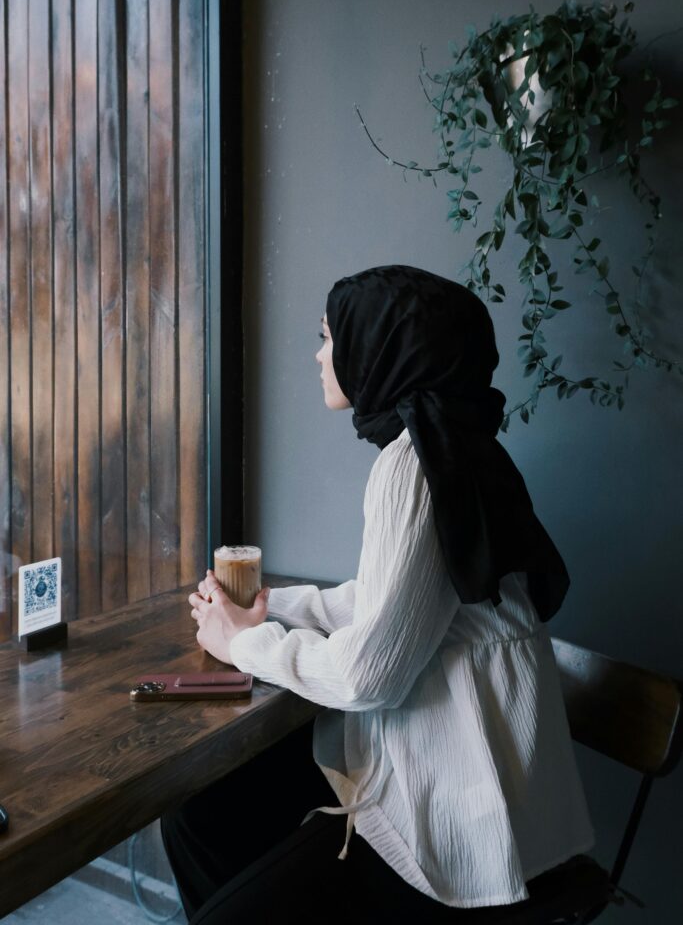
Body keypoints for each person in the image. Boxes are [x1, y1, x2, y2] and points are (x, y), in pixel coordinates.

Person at [161, 265, 594, 924]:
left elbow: (369, 676)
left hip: (457, 825)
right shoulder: (449, 447)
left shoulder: (413, 465)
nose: (317, 354)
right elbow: (389, 603)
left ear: (383, 347)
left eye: (329, 336)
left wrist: (244, 642)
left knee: (212, 847)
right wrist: (271, 608)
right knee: (201, 810)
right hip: (495, 791)